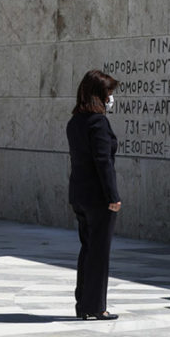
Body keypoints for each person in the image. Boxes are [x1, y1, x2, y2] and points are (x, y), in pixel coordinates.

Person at [67, 69, 122, 321]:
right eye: (109, 92)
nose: (111, 97)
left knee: (87, 250)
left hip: (79, 195)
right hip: (98, 198)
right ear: (100, 95)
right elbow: (103, 162)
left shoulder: (75, 122)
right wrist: (113, 196)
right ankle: (96, 307)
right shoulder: (98, 123)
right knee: (99, 253)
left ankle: (83, 305)